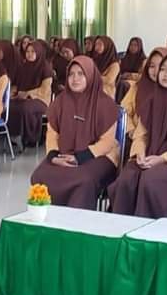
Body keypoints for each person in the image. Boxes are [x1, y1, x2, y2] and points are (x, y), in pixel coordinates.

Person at [109, 51, 167, 218]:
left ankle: (148, 232)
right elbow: (141, 135)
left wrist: (161, 159)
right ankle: (121, 229)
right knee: (126, 180)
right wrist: (140, 154)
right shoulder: (152, 101)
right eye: (163, 69)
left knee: (150, 181)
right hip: (149, 155)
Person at [30, 56, 119, 209]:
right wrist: (53, 156)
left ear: (90, 76)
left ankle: (75, 227)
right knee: (40, 175)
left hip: (98, 156)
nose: (75, 78)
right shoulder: (60, 101)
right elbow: (52, 134)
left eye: (81, 74)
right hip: (63, 154)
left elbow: (107, 142)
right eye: (71, 74)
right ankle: (47, 224)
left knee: (83, 180)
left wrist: (80, 157)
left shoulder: (105, 104)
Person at [8, 39, 54, 148]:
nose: (29, 54)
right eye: (28, 52)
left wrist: (28, 94)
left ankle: (29, 138)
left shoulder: (45, 67)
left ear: (39, 52)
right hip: (23, 98)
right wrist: (12, 93)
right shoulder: (23, 67)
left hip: (41, 100)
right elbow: (16, 85)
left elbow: (45, 89)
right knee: (10, 106)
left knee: (26, 107)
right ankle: (14, 135)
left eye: (33, 52)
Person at [120, 47, 166, 143]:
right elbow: (124, 111)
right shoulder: (137, 87)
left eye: (161, 66)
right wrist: (130, 129)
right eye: (152, 66)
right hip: (135, 137)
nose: (156, 71)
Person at [116, 36, 147, 102]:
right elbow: (118, 71)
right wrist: (121, 75)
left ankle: (120, 105)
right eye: (131, 45)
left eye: (135, 45)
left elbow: (143, 76)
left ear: (140, 47)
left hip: (135, 82)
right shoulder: (123, 58)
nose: (133, 47)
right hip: (122, 79)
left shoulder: (144, 60)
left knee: (123, 85)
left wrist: (130, 75)